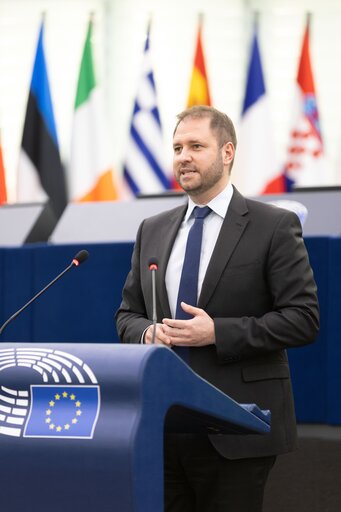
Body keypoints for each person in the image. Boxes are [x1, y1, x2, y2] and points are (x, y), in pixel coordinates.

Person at [115, 105, 319, 512]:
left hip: (238, 426)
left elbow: (303, 318)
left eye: (196, 146)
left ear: (227, 153)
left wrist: (217, 332)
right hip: (165, 425)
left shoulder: (273, 226)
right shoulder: (152, 228)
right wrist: (146, 332)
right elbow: (127, 315)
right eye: (176, 148)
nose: (183, 157)